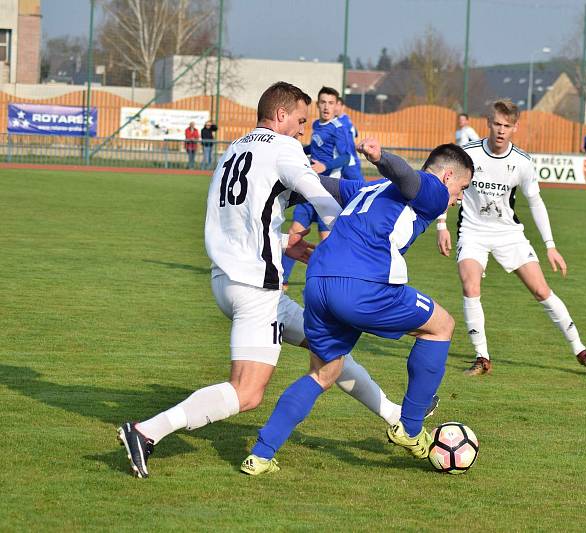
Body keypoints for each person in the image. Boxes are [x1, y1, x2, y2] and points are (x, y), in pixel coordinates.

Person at [116, 82, 418, 479]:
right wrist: (350, 246)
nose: (302, 130)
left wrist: (282, 243)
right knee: (247, 392)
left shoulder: (234, 149)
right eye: (299, 119)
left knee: (327, 350)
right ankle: (145, 432)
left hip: (227, 279)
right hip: (256, 289)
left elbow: (241, 215)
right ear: (280, 115)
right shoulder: (283, 148)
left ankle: (397, 417)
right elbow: (322, 199)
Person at [240, 139, 474, 476]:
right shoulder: (433, 189)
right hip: (364, 285)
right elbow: (410, 179)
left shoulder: (370, 189)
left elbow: (324, 185)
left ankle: (261, 454)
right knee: (442, 326)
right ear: (448, 176)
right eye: (462, 188)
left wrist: (275, 177)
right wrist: (381, 157)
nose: (459, 198)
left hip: (318, 283)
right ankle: (409, 428)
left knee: (323, 373)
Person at [436, 99, 586, 378]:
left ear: (515, 127)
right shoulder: (466, 154)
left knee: (541, 291)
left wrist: (550, 246)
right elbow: (445, 186)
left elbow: (536, 203)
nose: (501, 130)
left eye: (507, 125)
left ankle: (582, 350)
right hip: (473, 231)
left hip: (509, 234)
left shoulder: (522, 162)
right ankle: (482, 357)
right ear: (488, 123)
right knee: (470, 285)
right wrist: (441, 224)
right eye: (497, 124)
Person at [281, 87, 355, 289]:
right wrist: (296, 148)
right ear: (317, 104)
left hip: (326, 193)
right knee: (295, 232)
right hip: (308, 189)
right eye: (323, 102)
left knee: (328, 242)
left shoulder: (338, 128)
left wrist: (325, 166)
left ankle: (332, 282)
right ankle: (282, 279)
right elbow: (314, 148)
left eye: (331, 103)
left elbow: (346, 157)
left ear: (336, 105)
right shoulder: (315, 124)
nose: (326, 107)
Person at [335, 96, 363, 181]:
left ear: (343, 107)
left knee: (359, 187)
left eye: (337, 104)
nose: (335, 107)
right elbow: (356, 133)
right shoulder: (346, 119)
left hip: (349, 160)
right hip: (342, 159)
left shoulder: (341, 122)